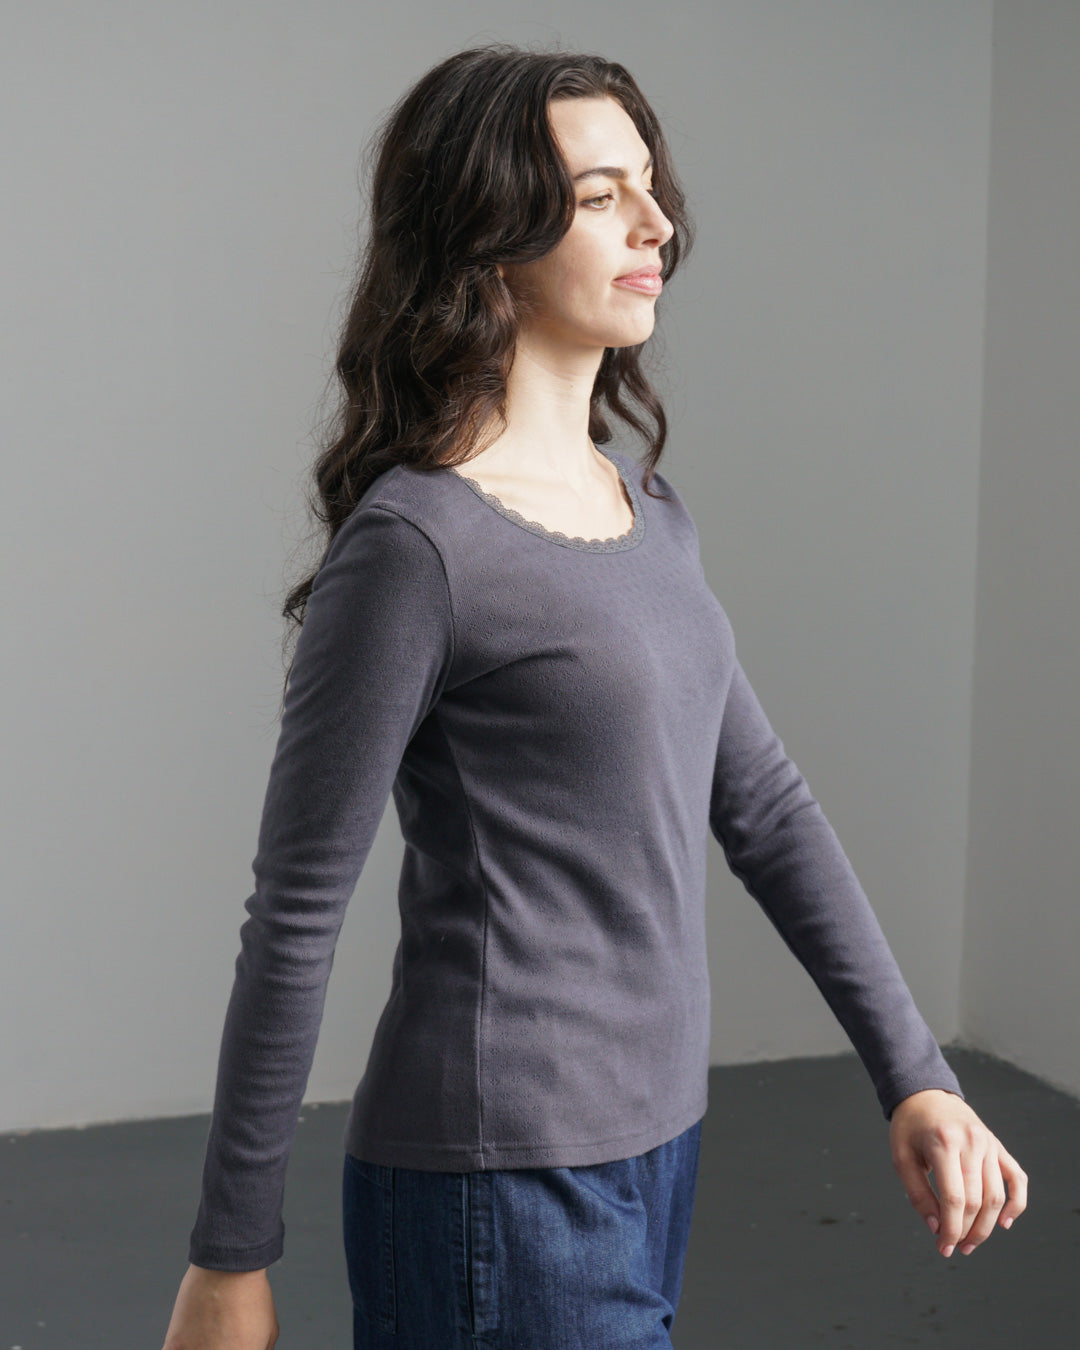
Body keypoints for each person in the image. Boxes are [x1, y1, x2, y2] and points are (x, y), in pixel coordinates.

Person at [161, 42, 1027, 1350]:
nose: (656, 222)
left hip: (655, 1145)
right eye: (599, 195)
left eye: (650, 186)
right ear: (489, 237)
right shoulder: (417, 548)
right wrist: (230, 1256)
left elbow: (768, 811)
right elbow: (294, 911)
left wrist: (915, 1074)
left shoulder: (648, 511)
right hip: (496, 1180)